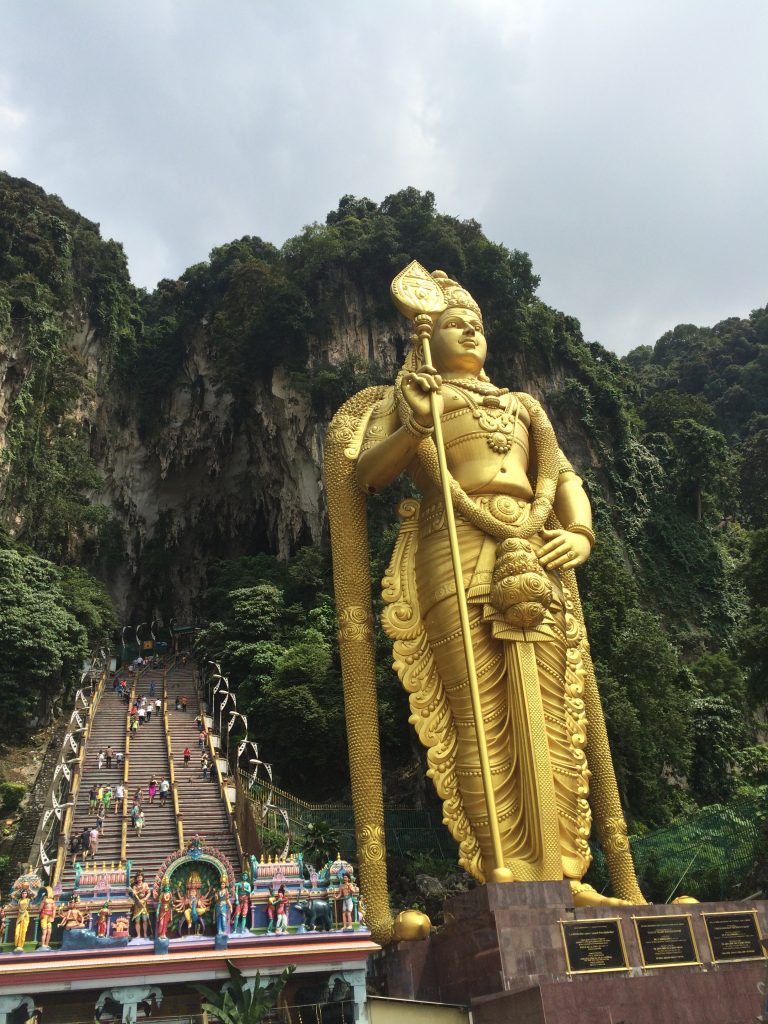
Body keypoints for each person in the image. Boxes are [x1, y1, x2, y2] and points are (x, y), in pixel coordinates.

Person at [326, 261, 643, 940]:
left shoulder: (525, 404)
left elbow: (562, 476)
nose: (471, 329)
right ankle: (500, 862)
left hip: (536, 549)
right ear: (426, 336)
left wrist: (580, 533)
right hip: (454, 548)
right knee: (478, 710)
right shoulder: (418, 398)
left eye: (476, 322)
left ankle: (566, 870)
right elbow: (369, 476)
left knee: (556, 709)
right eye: (453, 322)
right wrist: (412, 425)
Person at [130, 872, 151, 939]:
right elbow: (134, 893)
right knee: (137, 920)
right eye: (138, 877)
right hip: (137, 903)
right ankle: (138, 935)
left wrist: (145, 899)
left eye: (140, 877)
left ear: (142, 878)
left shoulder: (145, 884)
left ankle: (145, 934)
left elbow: (149, 892)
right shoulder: (135, 886)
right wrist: (139, 891)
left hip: (144, 903)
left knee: (145, 919)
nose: (139, 878)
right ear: (136, 878)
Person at [13, 886, 32, 951]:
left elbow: (35, 895)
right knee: (17, 932)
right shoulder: (19, 900)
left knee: (23, 931)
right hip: (19, 915)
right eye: (23, 893)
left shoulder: (28, 900)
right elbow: (12, 895)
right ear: (21, 894)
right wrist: (19, 889)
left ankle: (21, 946)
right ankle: (17, 945)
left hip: (25, 916)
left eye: (25, 893)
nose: (24, 894)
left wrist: (29, 889)